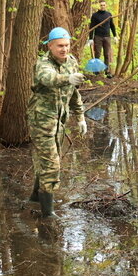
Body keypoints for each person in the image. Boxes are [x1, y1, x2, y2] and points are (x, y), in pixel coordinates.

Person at [27, 27, 87, 218]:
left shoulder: (72, 62)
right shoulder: (43, 64)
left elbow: (74, 93)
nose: (64, 49)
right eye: (60, 45)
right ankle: (47, 214)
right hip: (42, 120)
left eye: (67, 45)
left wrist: (80, 117)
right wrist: (67, 78)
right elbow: (49, 79)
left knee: (48, 161)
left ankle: (36, 196)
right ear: (50, 46)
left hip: (59, 121)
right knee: (52, 165)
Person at [88, 0, 117, 77]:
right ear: (99, 6)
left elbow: (112, 26)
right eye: (101, 5)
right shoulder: (95, 15)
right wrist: (90, 38)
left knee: (107, 54)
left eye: (104, 5)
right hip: (98, 37)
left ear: (106, 5)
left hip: (107, 37)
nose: (102, 6)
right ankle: (96, 70)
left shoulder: (109, 15)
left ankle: (107, 71)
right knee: (97, 53)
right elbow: (91, 27)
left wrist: (115, 36)